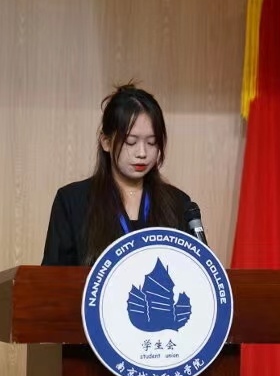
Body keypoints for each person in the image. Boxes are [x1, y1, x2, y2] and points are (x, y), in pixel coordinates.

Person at [41, 84, 193, 266]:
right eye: (131, 142)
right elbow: (52, 277)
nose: (142, 153)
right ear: (106, 142)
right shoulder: (72, 201)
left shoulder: (179, 204)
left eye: (152, 143)